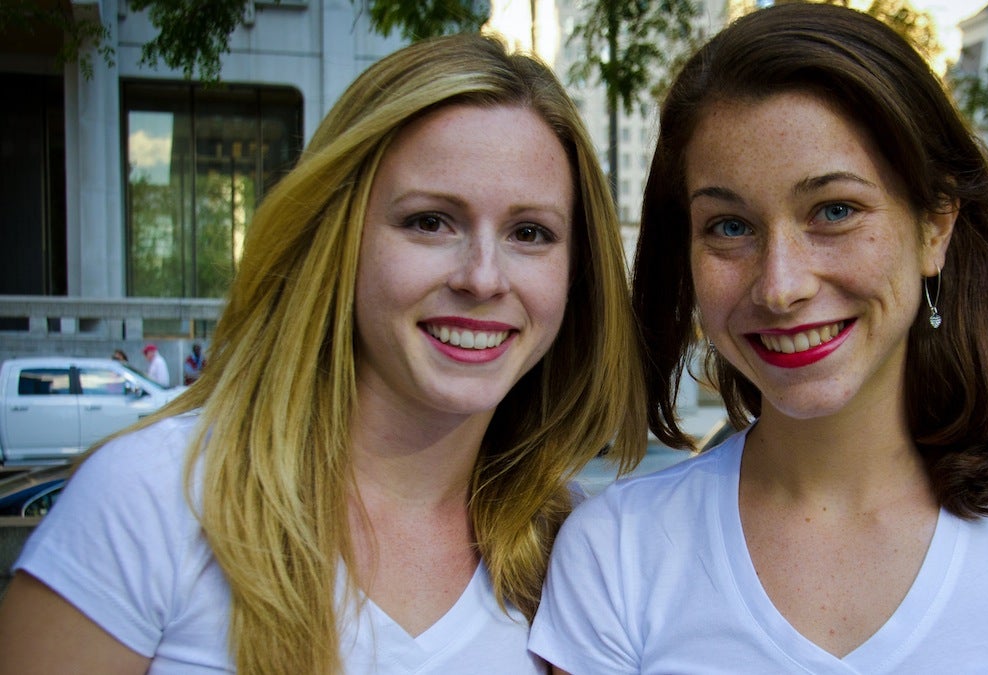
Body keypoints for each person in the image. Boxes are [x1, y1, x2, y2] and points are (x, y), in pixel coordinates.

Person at [530, 4, 988, 673]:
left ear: (935, 227)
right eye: (729, 226)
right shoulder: (615, 551)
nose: (780, 285)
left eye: (835, 210)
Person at [0, 34, 645, 673]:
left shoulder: (578, 551)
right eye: (429, 221)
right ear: (342, 237)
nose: (482, 278)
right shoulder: (153, 498)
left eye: (530, 233)